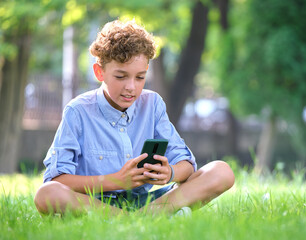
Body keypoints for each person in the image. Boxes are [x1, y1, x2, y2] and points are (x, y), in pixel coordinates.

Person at [34, 19, 235, 216]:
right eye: (121, 76)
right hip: (94, 202)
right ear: (99, 72)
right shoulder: (77, 111)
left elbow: (187, 166)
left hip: (148, 202)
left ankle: (142, 216)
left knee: (221, 171)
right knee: (46, 194)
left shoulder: (153, 104)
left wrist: (169, 173)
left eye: (140, 77)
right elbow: (56, 180)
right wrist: (116, 181)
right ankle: (138, 217)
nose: (131, 87)